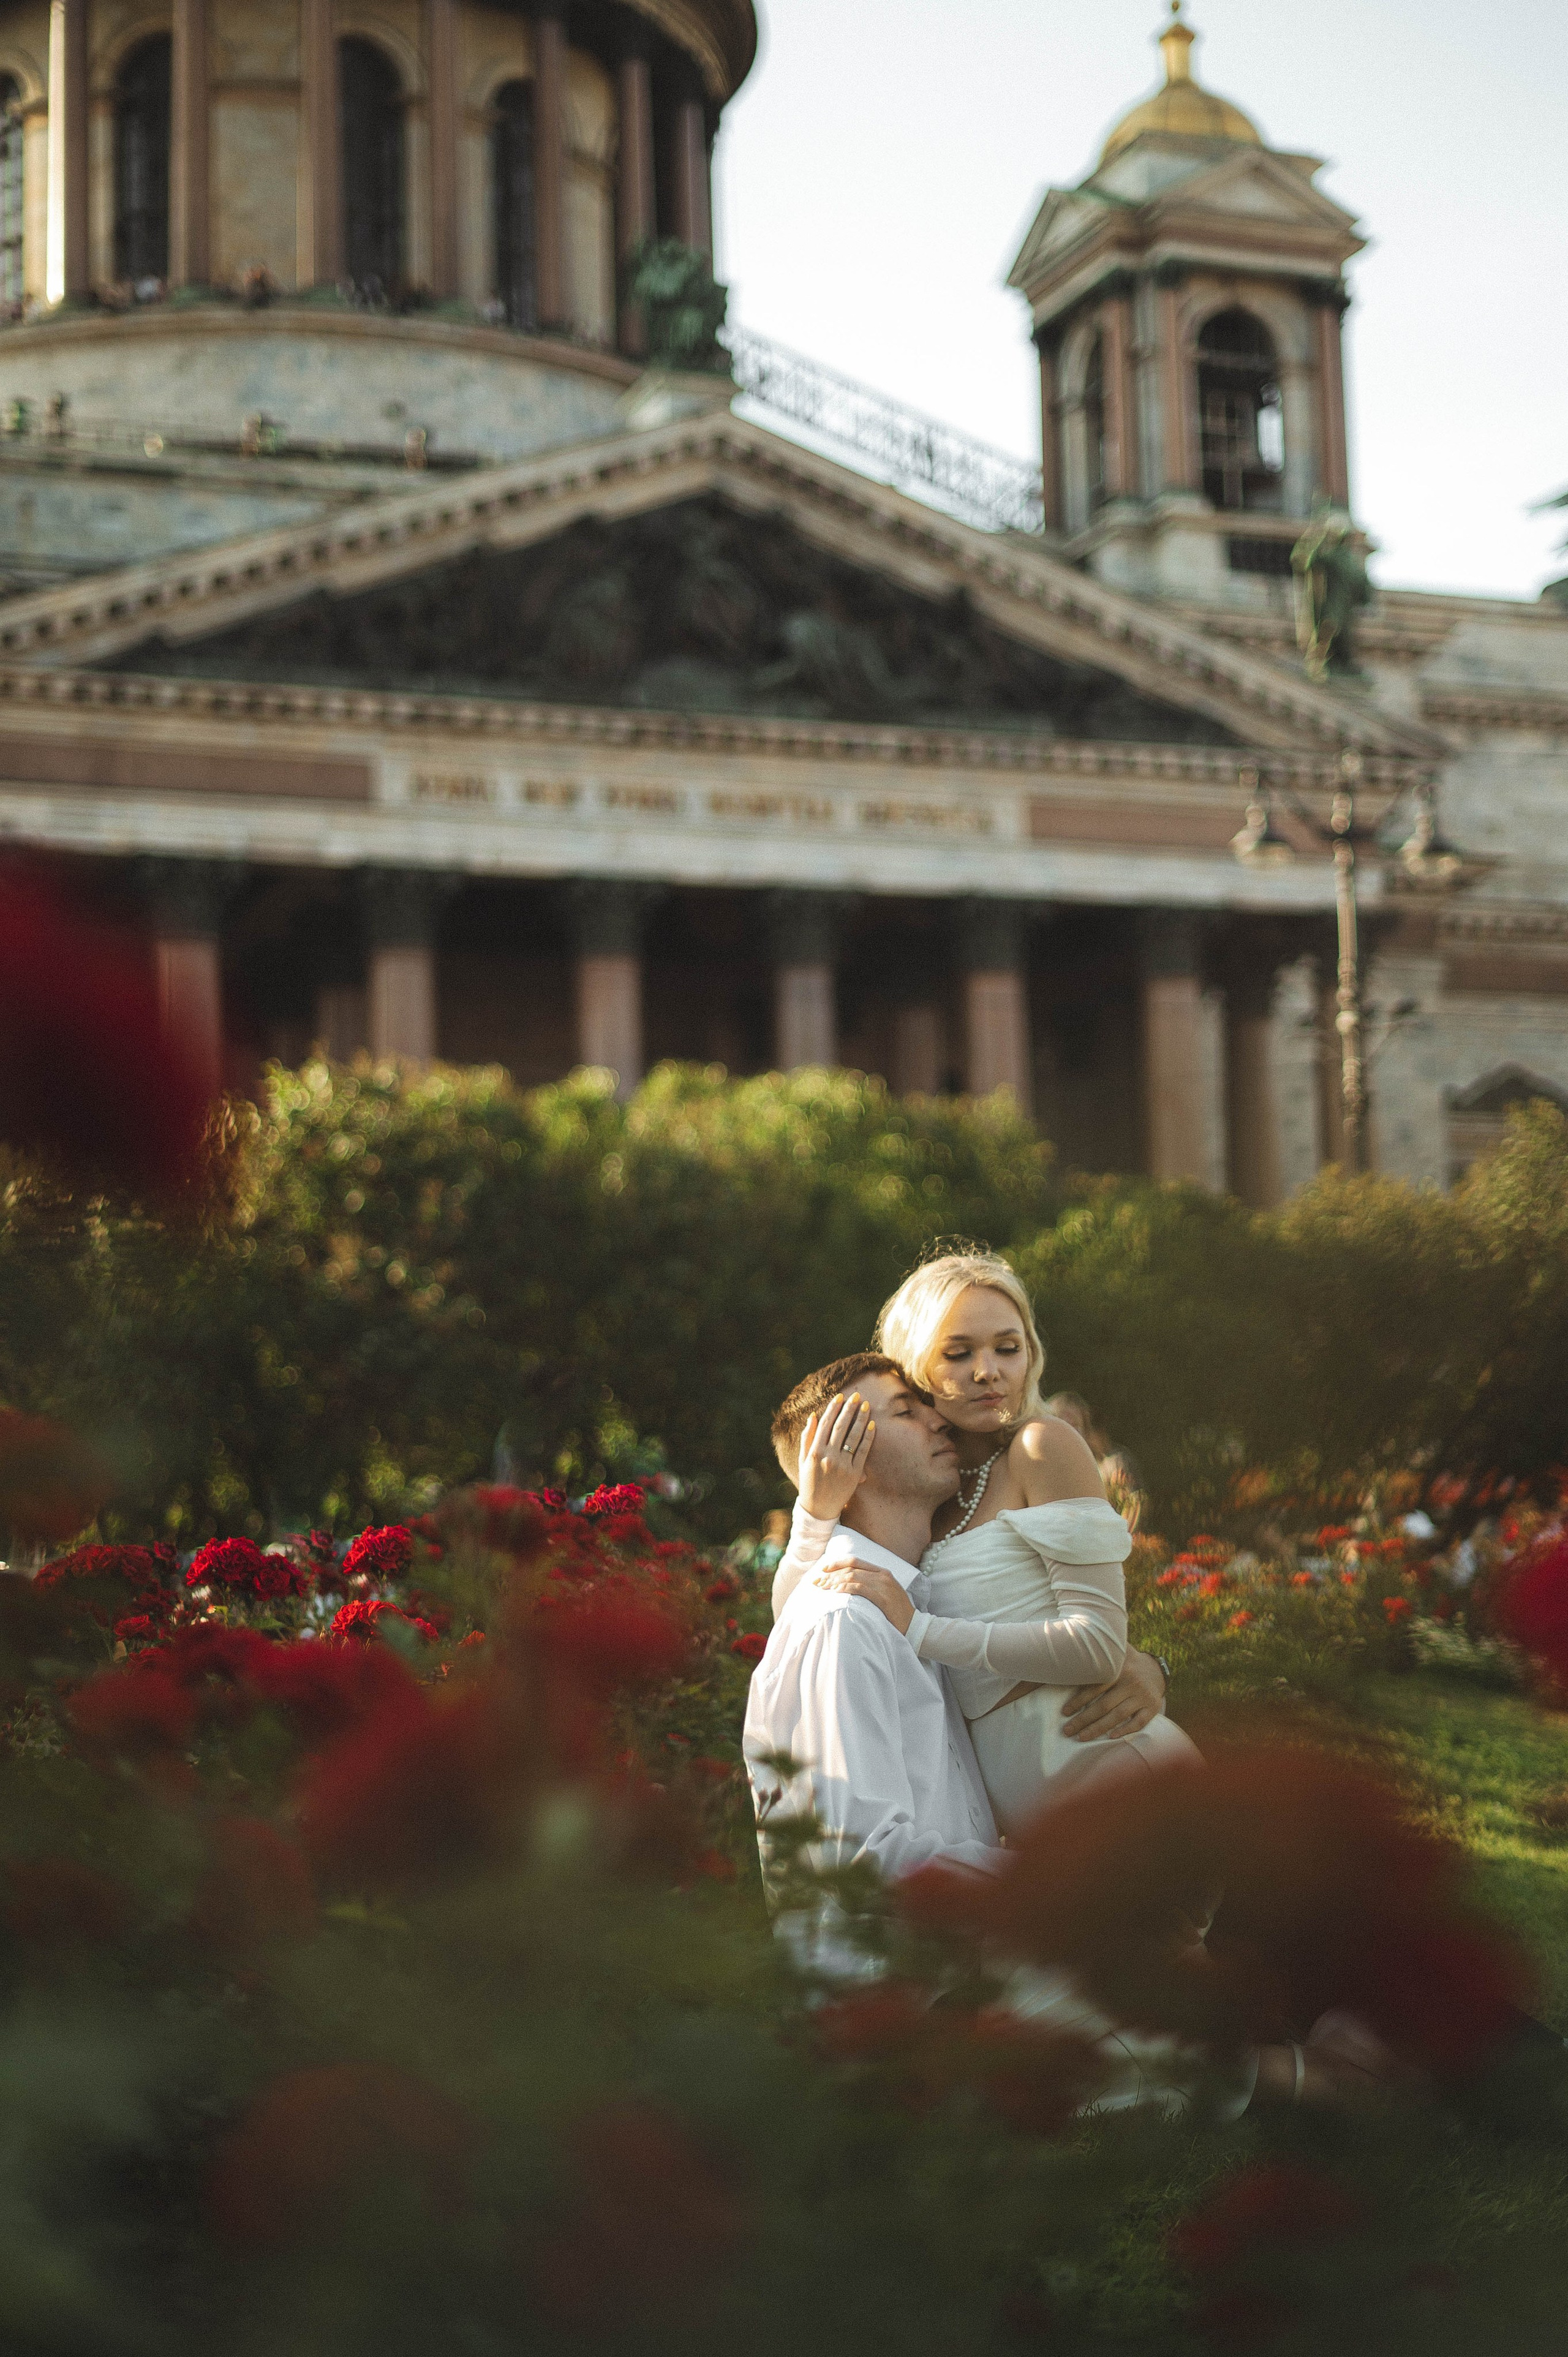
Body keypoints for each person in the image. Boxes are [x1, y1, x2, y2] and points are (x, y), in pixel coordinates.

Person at [745, 1352, 1386, 2114]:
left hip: (958, 1940)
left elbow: (1067, 1642)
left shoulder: (904, 1604)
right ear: (840, 1453)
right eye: (903, 1410)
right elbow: (861, 1855)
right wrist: (1058, 1892)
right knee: (1167, 1975)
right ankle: (1309, 2078)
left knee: (1274, 1920)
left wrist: (1147, 1663)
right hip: (906, 1981)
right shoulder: (844, 1620)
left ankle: (1388, 2045)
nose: (935, 1418)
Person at [770, 1250, 1194, 1837]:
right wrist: (816, 1512)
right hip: (1024, 1818)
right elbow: (793, 1617)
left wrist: (1152, 1668)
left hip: (1111, 1779)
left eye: (1008, 1348)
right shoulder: (928, 1491)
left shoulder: (1043, 1447)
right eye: (959, 1353)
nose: (988, 1371)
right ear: (916, 1365)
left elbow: (1097, 1646)